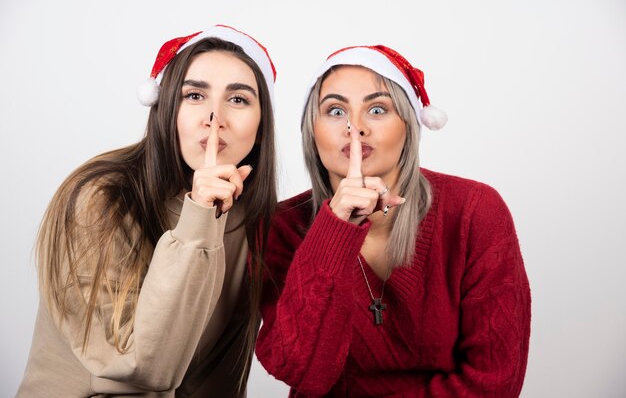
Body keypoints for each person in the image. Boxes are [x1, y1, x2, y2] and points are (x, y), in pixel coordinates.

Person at [17, 24, 277, 397]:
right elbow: (145, 368)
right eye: (194, 95)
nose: (215, 117)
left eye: (238, 100)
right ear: (166, 107)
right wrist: (199, 215)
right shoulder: (99, 198)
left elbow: (216, 381)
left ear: (261, 123)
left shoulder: (249, 220)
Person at [256, 45, 531, 397]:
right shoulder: (279, 226)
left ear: (409, 125)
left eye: (377, 109)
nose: (355, 128)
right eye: (336, 110)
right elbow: (304, 372)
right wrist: (335, 229)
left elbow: (494, 382)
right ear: (312, 131)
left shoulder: (475, 211)